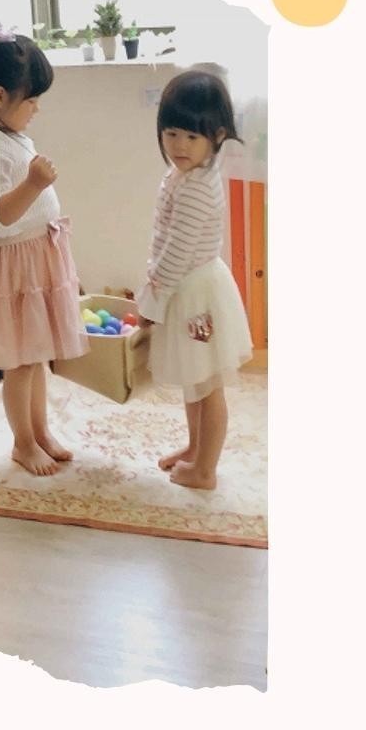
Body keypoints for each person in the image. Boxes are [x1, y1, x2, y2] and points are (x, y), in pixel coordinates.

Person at [0, 23, 89, 476]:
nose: (37, 108)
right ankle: (23, 443)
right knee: (21, 363)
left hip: (36, 258)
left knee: (36, 357)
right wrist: (34, 183)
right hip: (16, 267)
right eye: (31, 99)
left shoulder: (7, 135)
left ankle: (40, 432)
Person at [137, 69, 253, 490]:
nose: (179, 146)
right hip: (186, 290)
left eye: (191, 136)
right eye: (171, 134)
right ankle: (195, 448)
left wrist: (151, 302)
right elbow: (164, 242)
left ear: (217, 136)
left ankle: (205, 469)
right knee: (195, 378)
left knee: (207, 384)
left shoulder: (197, 187)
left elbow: (176, 253)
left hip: (196, 298)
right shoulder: (184, 174)